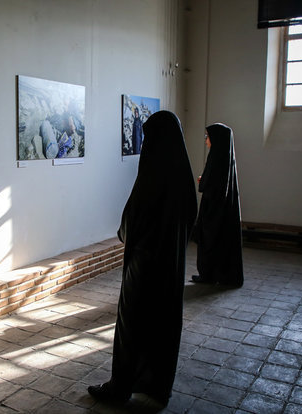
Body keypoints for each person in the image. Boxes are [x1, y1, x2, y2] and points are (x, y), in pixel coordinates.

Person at [88, 111, 197, 406]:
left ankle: (120, 387)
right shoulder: (183, 178)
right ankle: (157, 386)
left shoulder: (151, 176)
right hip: (171, 267)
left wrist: (127, 232)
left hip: (144, 265)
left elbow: (130, 224)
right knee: (164, 325)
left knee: (132, 325)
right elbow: (191, 219)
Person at [191, 123, 244, 287]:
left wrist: (203, 182)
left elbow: (210, 186)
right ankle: (220, 274)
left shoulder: (216, 158)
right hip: (222, 209)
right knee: (221, 241)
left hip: (214, 210)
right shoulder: (225, 157)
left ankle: (208, 274)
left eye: (208, 137)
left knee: (210, 240)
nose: (206, 140)